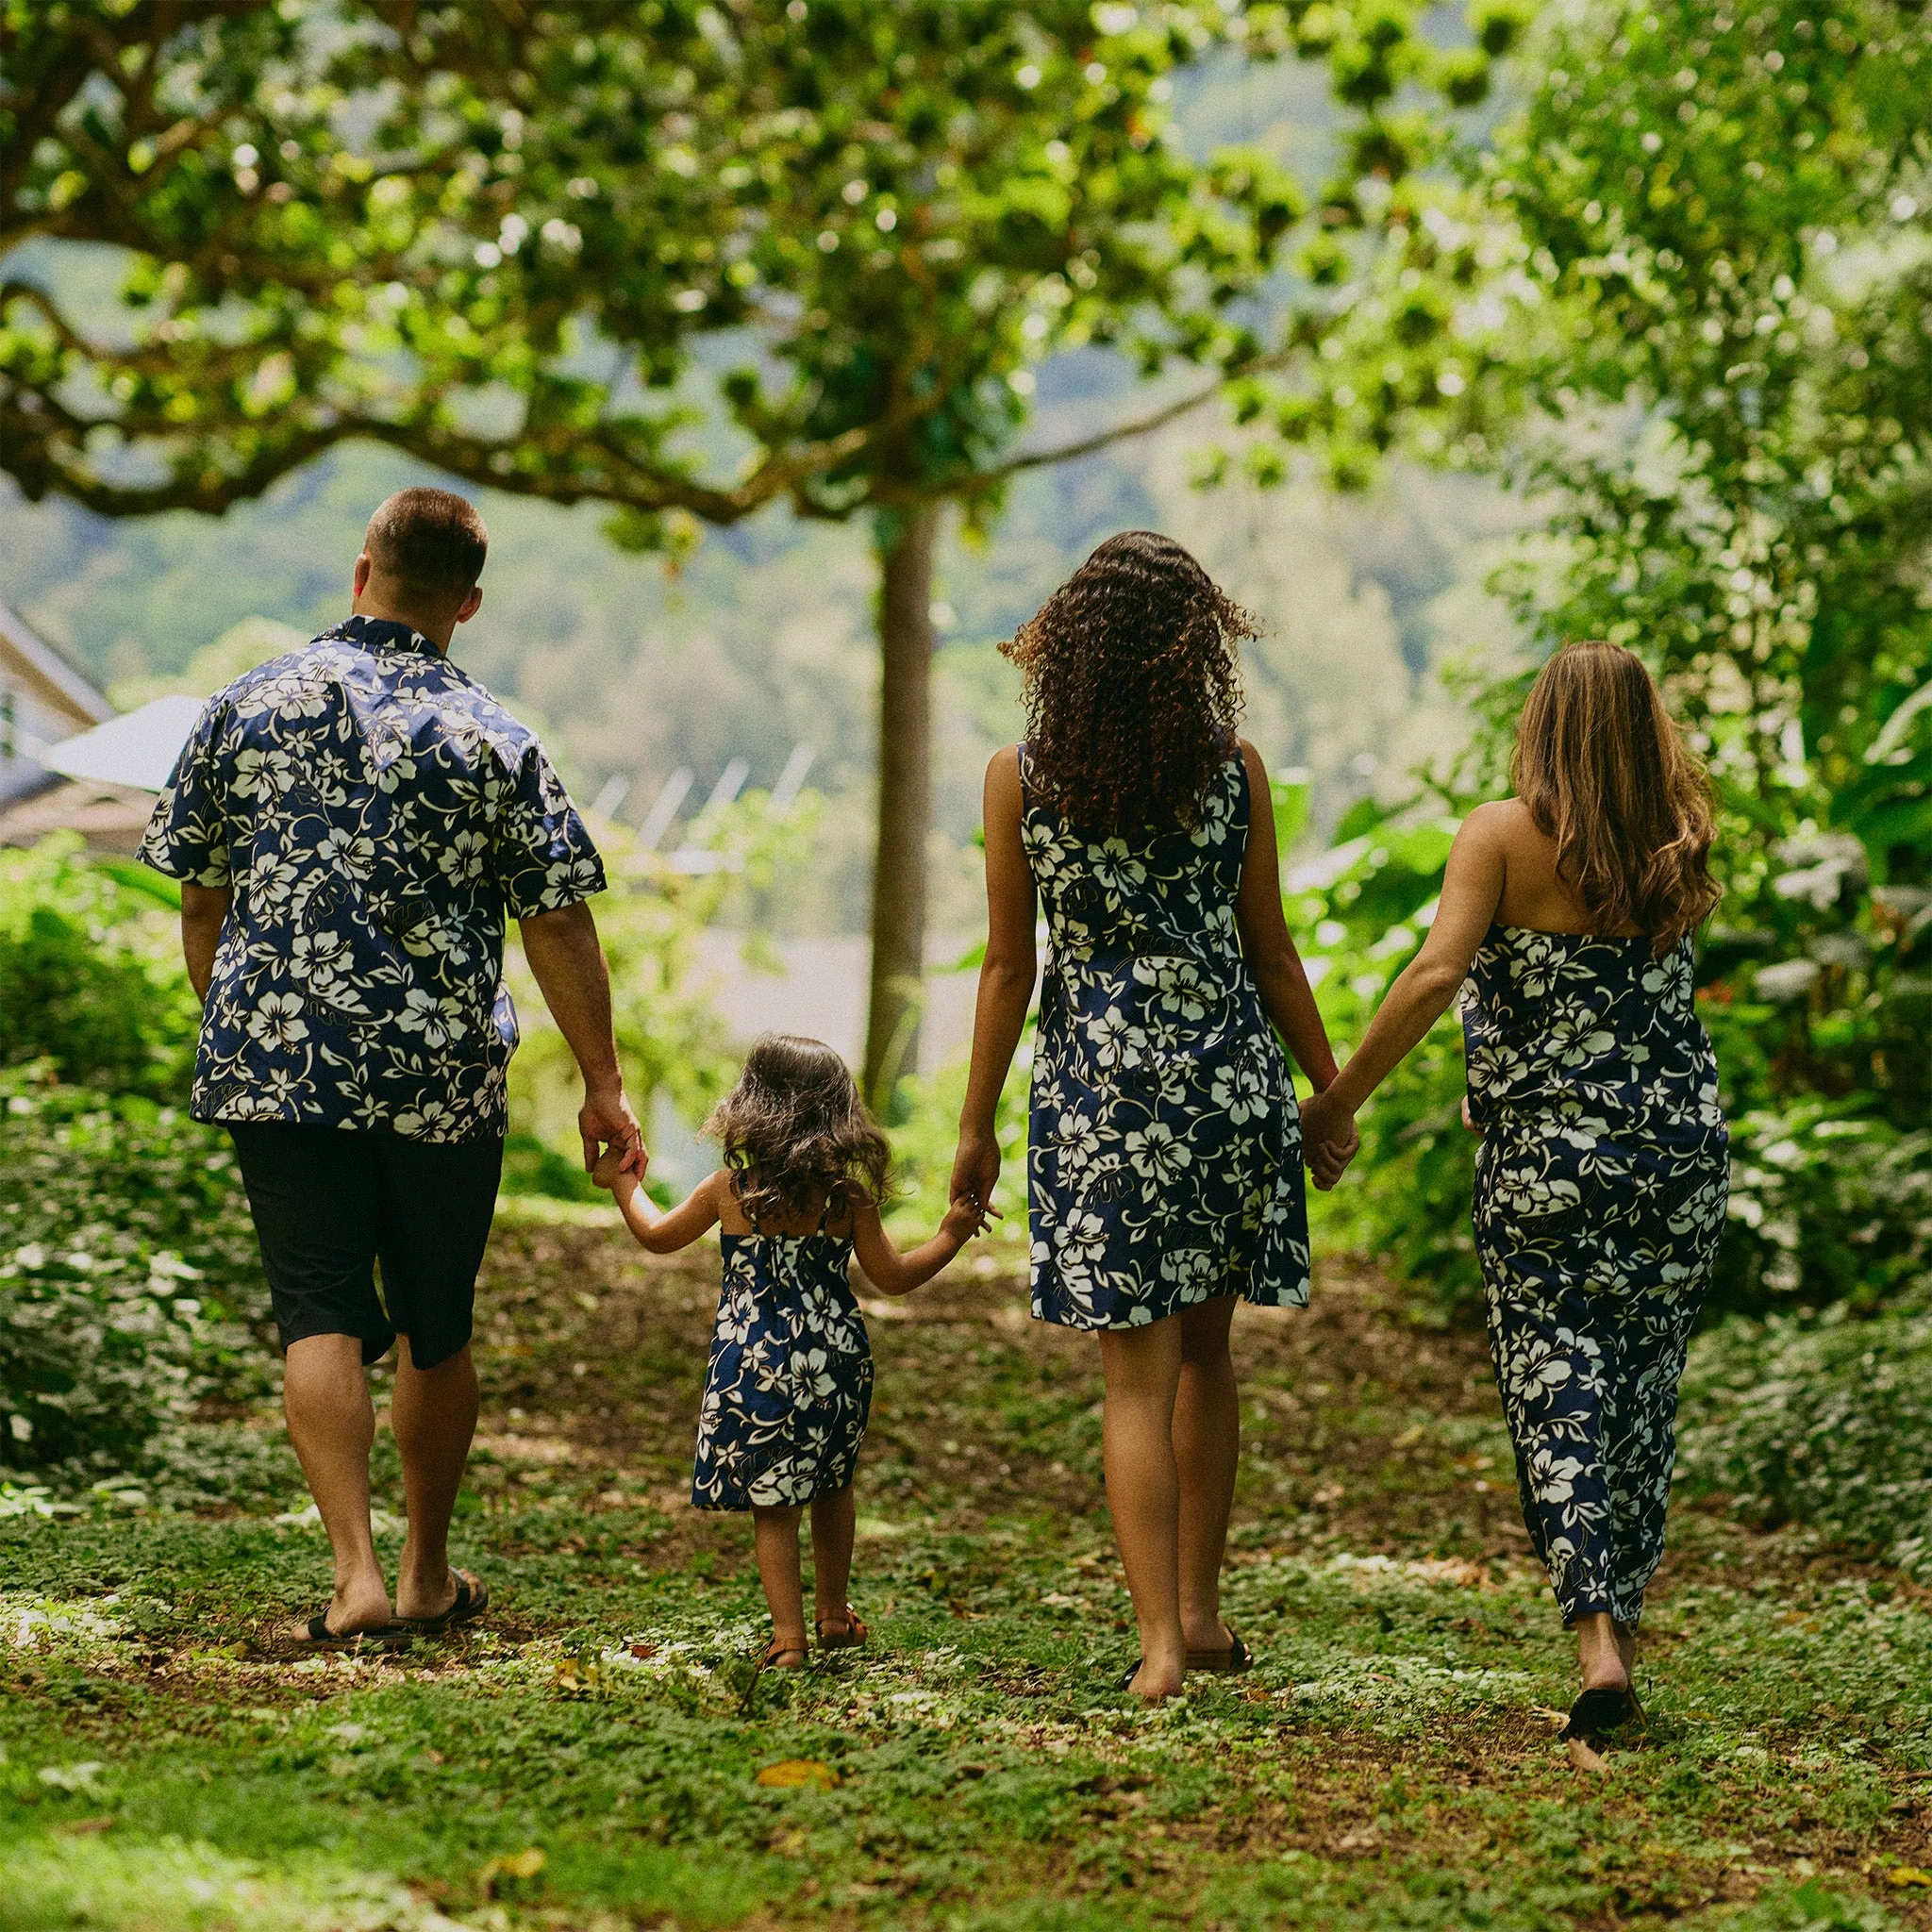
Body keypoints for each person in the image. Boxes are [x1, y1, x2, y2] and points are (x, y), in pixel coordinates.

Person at [141, 486, 644, 1646]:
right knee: (436, 1320)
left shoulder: (244, 706)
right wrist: (602, 1081)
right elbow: (557, 921)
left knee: (315, 1309)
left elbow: (200, 893)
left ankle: (353, 1574)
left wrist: (239, 1013)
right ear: (466, 603)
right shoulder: (493, 734)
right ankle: (424, 1572)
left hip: (280, 1060)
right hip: (439, 1069)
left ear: (360, 570)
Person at [1300, 640, 1727, 1764]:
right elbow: (1631, 1011)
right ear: (1644, 727)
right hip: (1674, 1153)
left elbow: (1440, 972)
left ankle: (1594, 1642)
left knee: (1556, 1386)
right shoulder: (1677, 840)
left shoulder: (1498, 832)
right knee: (1641, 1386)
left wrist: (1335, 1101)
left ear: (1540, 723)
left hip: (1545, 1167)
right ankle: (1619, 1634)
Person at [946, 531, 1355, 1702]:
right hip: (1228, 1083)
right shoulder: (1233, 771)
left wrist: (972, 1130)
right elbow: (1269, 953)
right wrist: (1322, 1096)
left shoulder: (1021, 776)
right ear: (1194, 651)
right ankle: (1200, 1611)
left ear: (1067, 648)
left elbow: (1004, 969)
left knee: (1135, 1377)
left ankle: (1159, 1654)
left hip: (1104, 1093)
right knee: (1208, 1357)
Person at [594, 1034, 988, 1669]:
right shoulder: (846, 1197)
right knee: (833, 1481)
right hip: (836, 1360)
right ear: (839, 1113)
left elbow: (657, 1236)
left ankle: (788, 1638)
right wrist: (951, 1235)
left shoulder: (730, 1189)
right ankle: (833, 1612)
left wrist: (620, 1183)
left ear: (752, 1104)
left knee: (773, 1503)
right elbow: (893, 1276)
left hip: (753, 1361)